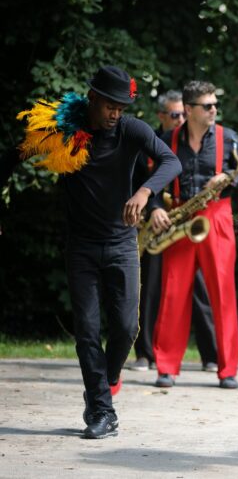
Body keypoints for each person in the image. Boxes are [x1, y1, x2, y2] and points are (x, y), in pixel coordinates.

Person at [17, 65, 181, 438]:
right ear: (92, 98)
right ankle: (102, 410)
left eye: (122, 107)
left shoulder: (132, 129)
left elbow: (172, 161)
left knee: (126, 327)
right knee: (87, 331)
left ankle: (104, 383)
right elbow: (16, 153)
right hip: (82, 247)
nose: (115, 114)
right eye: (110, 106)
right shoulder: (63, 130)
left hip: (122, 242)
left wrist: (144, 192)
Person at [151, 80, 238, 389]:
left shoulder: (228, 137)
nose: (213, 110)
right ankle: (166, 367)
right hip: (180, 217)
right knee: (173, 293)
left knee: (223, 294)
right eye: (207, 106)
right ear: (188, 109)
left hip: (217, 216)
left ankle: (228, 370)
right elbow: (151, 180)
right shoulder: (166, 140)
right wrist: (155, 207)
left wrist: (227, 177)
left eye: (215, 105)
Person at [129, 90, 219, 373]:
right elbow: (137, 182)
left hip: (186, 223)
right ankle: (144, 353)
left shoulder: (191, 142)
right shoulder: (149, 143)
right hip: (156, 225)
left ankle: (211, 355)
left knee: (200, 291)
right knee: (151, 290)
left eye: (183, 113)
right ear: (162, 116)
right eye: (174, 115)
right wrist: (152, 208)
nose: (180, 119)